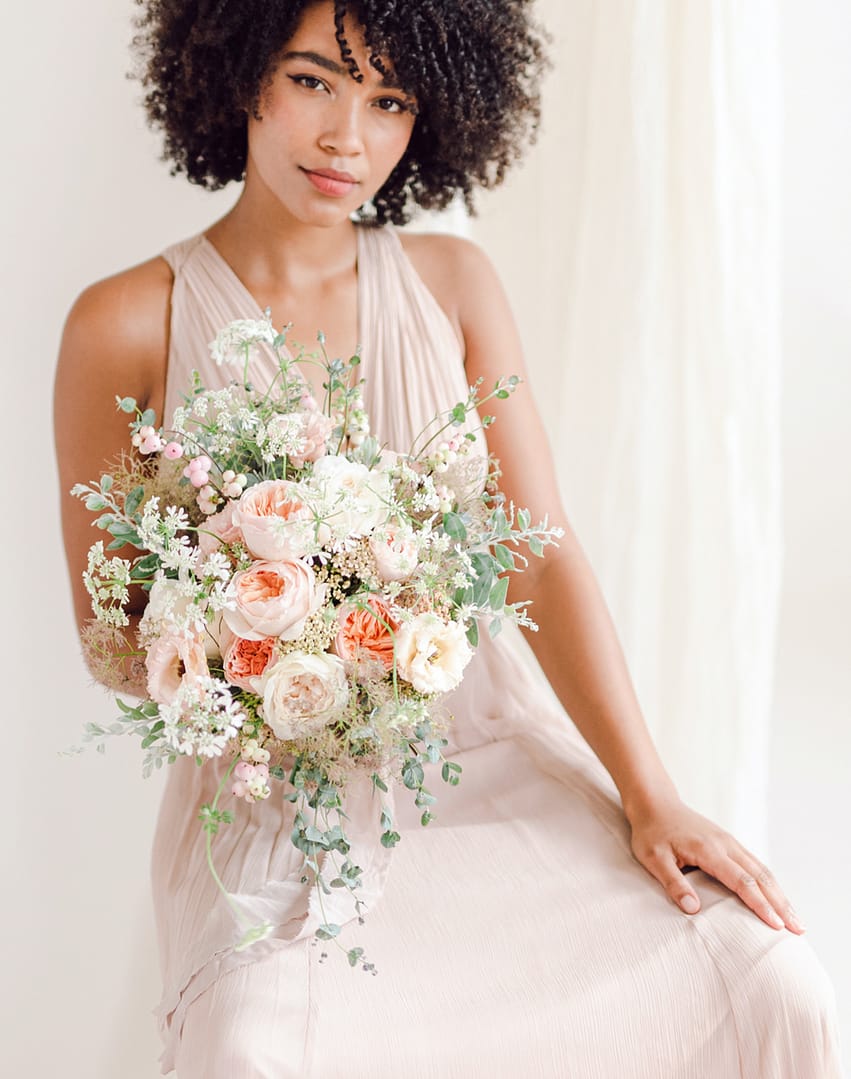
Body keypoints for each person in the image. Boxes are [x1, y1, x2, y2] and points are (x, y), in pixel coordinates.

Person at [54, 1, 844, 1076]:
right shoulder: (124, 321)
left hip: (486, 761)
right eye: (312, 82)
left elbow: (541, 549)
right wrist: (261, 624)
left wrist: (651, 794)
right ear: (237, 71)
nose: (347, 140)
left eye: (389, 101)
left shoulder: (452, 285)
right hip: (273, 807)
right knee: (254, 1049)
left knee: (768, 979)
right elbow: (112, 643)